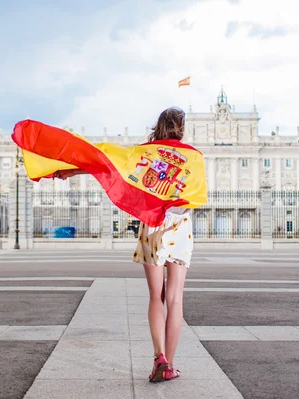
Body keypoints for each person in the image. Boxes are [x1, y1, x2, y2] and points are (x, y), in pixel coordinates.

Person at [55, 107, 191, 382]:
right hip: (181, 227)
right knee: (175, 299)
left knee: (156, 296)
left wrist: (72, 171)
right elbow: (198, 194)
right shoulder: (193, 156)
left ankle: (158, 357)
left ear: (159, 127)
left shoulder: (146, 153)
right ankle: (171, 366)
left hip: (153, 225)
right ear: (181, 130)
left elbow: (108, 162)